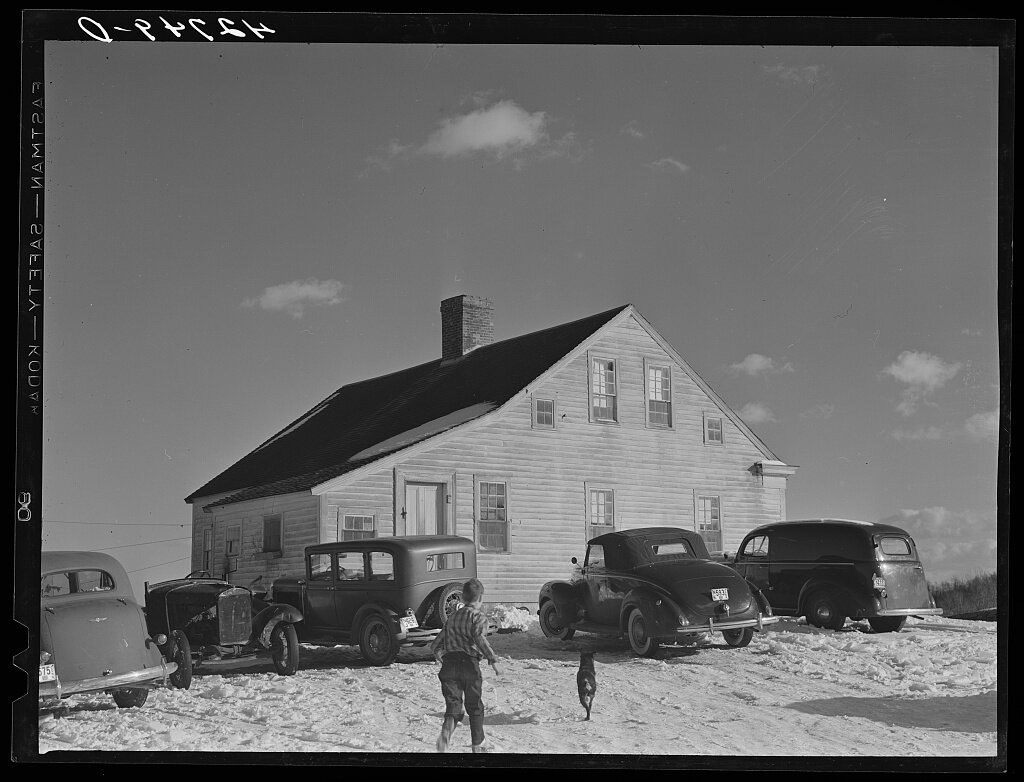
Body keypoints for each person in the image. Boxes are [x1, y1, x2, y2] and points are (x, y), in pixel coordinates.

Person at [431, 577, 502, 753]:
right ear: (480, 599)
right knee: (474, 705)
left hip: (449, 665)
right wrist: (493, 659)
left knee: (454, 705)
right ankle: (477, 744)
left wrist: (442, 658)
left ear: (462, 599)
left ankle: (448, 728)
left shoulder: (452, 617)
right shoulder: (479, 617)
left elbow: (435, 646)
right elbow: (479, 638)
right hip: (469, 665)